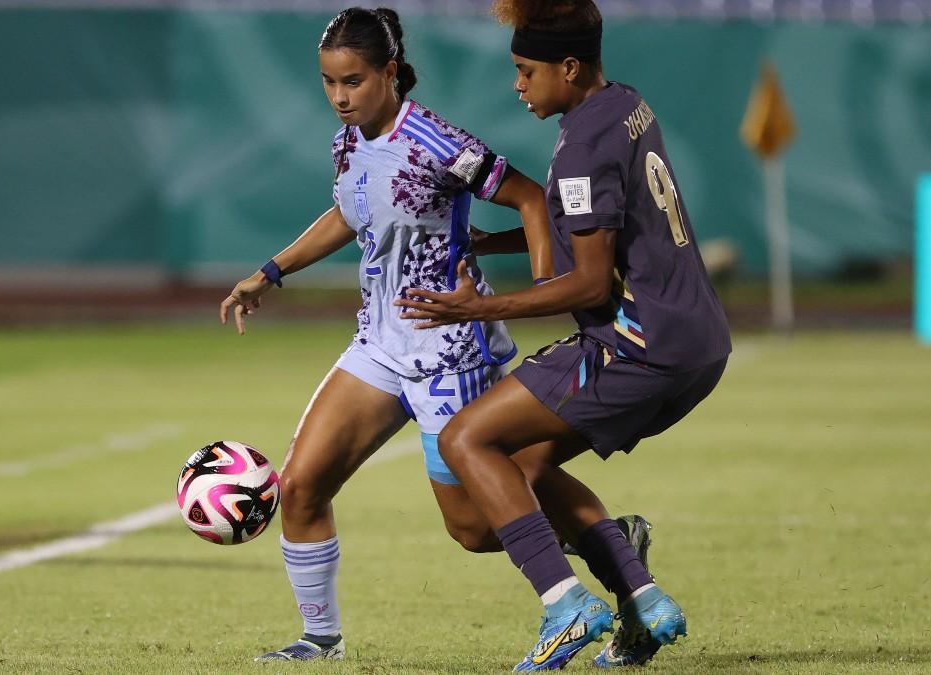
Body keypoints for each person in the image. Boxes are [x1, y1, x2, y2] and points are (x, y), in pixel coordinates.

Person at [219, 6, 651, 663]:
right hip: (379, 345)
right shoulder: (348, 139)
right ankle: (320, 638)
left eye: (354, 81)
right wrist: (269, 271)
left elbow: (532, 199)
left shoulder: (438, 142)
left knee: (475, 530)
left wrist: (534, 291)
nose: (340, 96)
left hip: (450, 350)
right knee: (302, 486)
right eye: (330, 83)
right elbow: (348, 212)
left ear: (390, 72)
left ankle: (609, 541)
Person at [394, 0, 733, 670]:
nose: (517, 85)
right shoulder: (624, 105)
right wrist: (496, 240)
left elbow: (587, 283)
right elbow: (602, 223)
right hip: (699, 343)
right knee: (521, 465)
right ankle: (643, 601)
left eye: (526, 71)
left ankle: (565, 603)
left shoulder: (580, 147)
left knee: (467, 437)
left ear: (568, 66)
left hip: (640, 346)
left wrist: (477, 310)